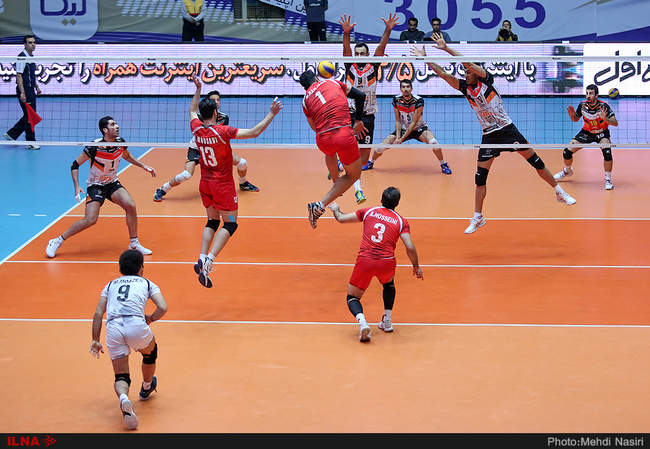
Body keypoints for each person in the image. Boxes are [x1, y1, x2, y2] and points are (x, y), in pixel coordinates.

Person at [412, 36, 576, 235]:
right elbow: (444, 74)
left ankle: (559, 191)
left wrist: (446, 48)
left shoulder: (487, 79)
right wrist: (425, 59)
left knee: (536, 162)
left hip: (508, 130)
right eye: (465, 72)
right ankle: (478, 217)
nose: (466, 73)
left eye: (468, 71)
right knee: (480, 177)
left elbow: (467, 63)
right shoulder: (465, 88)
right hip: (489, 136)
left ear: (476, 72)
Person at [189, 76, 282, 287]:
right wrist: (271, 114)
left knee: (212, 222)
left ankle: (201, 256)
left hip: (205, 183)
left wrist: (198, 89)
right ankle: (209, 261)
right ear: (215, 113)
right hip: (222, 186)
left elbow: (192, 110)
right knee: (230, 224)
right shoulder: (224, 131)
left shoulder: (196, 128)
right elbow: (254, 132)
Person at [45, 117, 156, 258]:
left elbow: (127, 156)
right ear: (105, 130)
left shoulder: (120, 143)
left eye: (116, 124)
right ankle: (57, 241)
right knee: (90, 220)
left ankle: (134, 243)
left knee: (130, 206)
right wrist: (77, 186)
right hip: (95, 185)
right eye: (113, 125)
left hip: (112, 183)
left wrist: (143, 166)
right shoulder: (94, 147)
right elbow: (75, 165)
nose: (117, 126)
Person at [329, 187, 423, 342]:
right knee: (389, 285)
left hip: (365, 261)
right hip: (386, 262)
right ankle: (387, 321)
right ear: (397, 203)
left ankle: (363, 323)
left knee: (352, 297)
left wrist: (335, 209)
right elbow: (410, 247)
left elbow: (341, 218)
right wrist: (416, 266)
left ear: (381, 200)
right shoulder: (401, 221)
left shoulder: (368, 211)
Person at [90, 249, 168, 430]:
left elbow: (98, 313)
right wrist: (151, 319)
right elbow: (163, 307)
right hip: (136, 325)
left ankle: (124, 398)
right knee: (150, 353)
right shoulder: (147, 283)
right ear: (141, 268)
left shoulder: (110, 285)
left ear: (120, 268)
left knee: (121, 376)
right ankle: (147, 387)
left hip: (113, 328)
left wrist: (95, 339)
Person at [153, 90, 259, 202]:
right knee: (186, 174)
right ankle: (162, 189)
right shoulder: (200, 117)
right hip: (197, 148)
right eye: (213, 100)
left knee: (242, 163)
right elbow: (194, 113)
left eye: (218, 100)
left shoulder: (224, 118)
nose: (216, 102)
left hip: (214, 148)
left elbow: (222, 135)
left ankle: (243, 183)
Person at [338, 13, 399, 205]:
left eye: (363, 53)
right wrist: (346, 34)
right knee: (348, 148)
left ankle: (349, 167)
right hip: (350, 114)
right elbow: (346, 50)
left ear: (368, 54)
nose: (360, 56)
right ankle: (355, 185)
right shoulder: (350, 65)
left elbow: (382, 47)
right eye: (357, 53)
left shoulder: (373, 65)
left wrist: (388, 30)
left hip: (368, 115)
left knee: (363, 159)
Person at [300, 70, 367, 229]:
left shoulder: (305, 100)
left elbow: (314, 127)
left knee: (330, 153)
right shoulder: (333, 82)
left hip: (323, 139)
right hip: (343, 135)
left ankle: (336, 181)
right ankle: (320, 205)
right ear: (317, 78)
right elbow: (360, 95)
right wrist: (358, 120)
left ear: (305, 87)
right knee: (354, 175)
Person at [363, 78, 452, 174]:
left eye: (408, 87)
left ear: (411, 88)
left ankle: (443, 164)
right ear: (400, 89)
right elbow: (398, 120)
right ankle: (371, 162)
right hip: (403, 129)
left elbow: (414, 123)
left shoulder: (418, 100)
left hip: (419, 128)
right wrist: (398, 137)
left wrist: (401, 139)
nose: (405, 89)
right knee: (380, 147)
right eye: (403, 87)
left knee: (434, 143)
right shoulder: (396, 100)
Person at [554, 84, 618, 190]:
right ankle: (567, 171)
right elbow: (575, 119)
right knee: (566, 152)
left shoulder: (604, 106)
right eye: (587, 93)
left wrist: (605, 119)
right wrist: (572, 115)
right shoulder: (582, 105)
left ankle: (608, 180)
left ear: (596, 95)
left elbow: (615, 123)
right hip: (586, 133)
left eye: (591, 93)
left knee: (607, 153)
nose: (588, 96)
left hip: (601, 133)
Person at [3, 35, 41, 150]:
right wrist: (22, 93)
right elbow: (19, 75)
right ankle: (30, 142)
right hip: (25, 89)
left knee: (30, 115)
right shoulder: (22, 57)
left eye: (34, 42)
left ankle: (11, 134)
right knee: (30, 116)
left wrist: (37, 87)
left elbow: (31, 75)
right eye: (30, 42)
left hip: (31, 89)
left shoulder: (31, 56)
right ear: (25, 44)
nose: (33, 44)